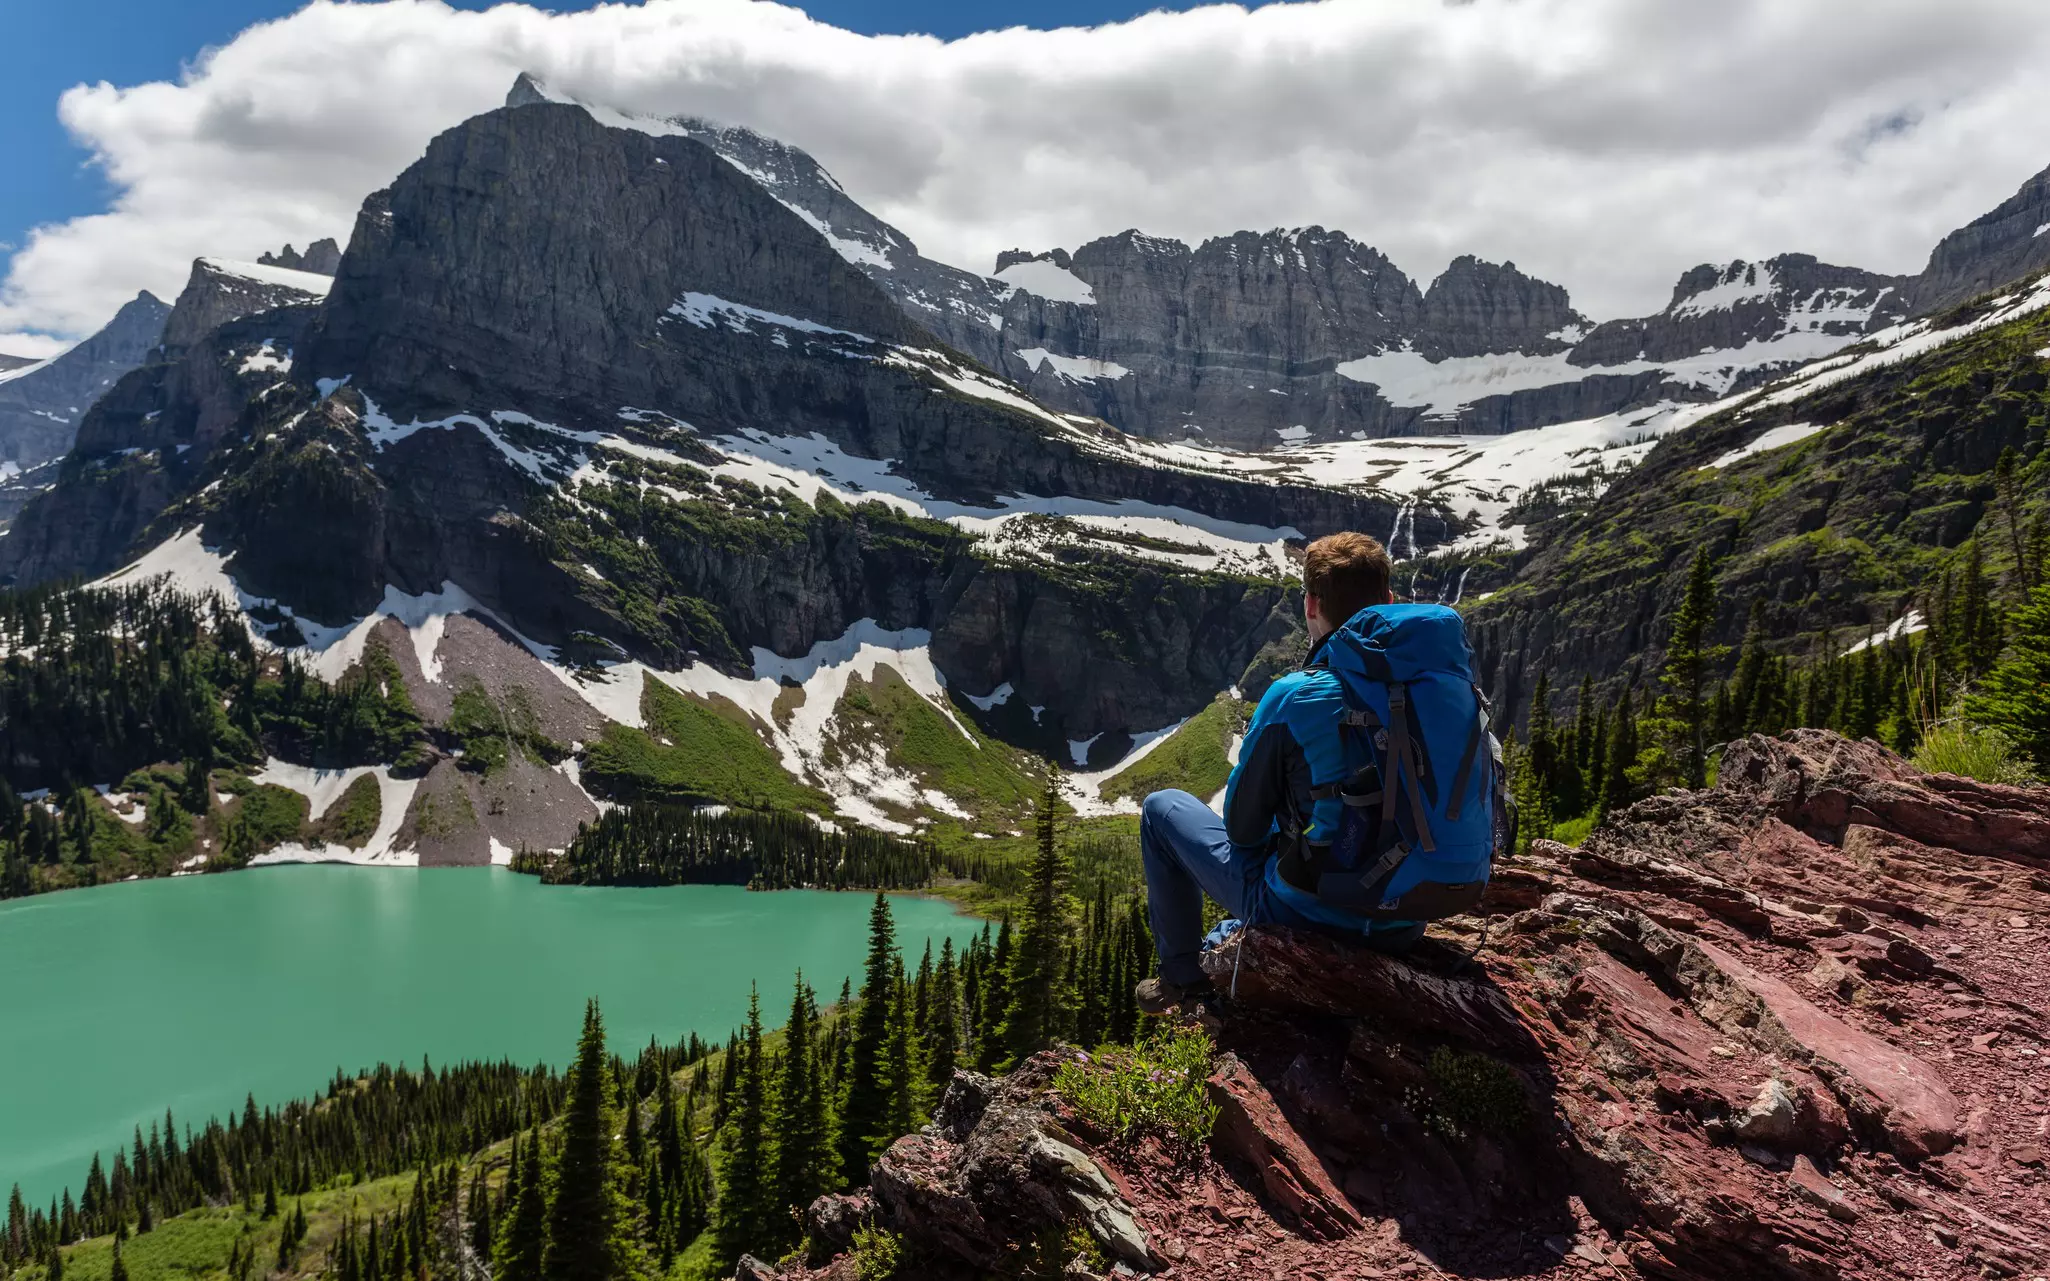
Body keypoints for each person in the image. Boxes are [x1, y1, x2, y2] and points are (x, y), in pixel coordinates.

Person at [1134, 531, 1502, 1014]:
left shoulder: (1296, 694)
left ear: (1310, 605)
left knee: (1162, 809)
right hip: (1410, 916)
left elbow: (1242, 833)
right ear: (1388, 601)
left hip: (1307, 913)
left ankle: (1181, 976)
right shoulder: (1452, 687)